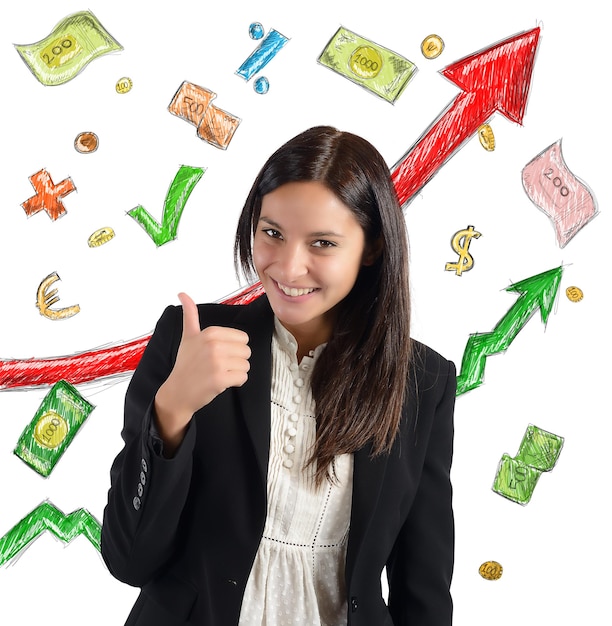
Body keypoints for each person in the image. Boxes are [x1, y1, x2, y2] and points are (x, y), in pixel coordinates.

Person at [101, 125, 456, 626]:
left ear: (372, 248)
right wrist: (172, 410)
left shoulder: (424, 382)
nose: (288, 268)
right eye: (272, 234)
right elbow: (128, 559)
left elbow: (424, 586)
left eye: (323, 243)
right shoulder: (192, 340)